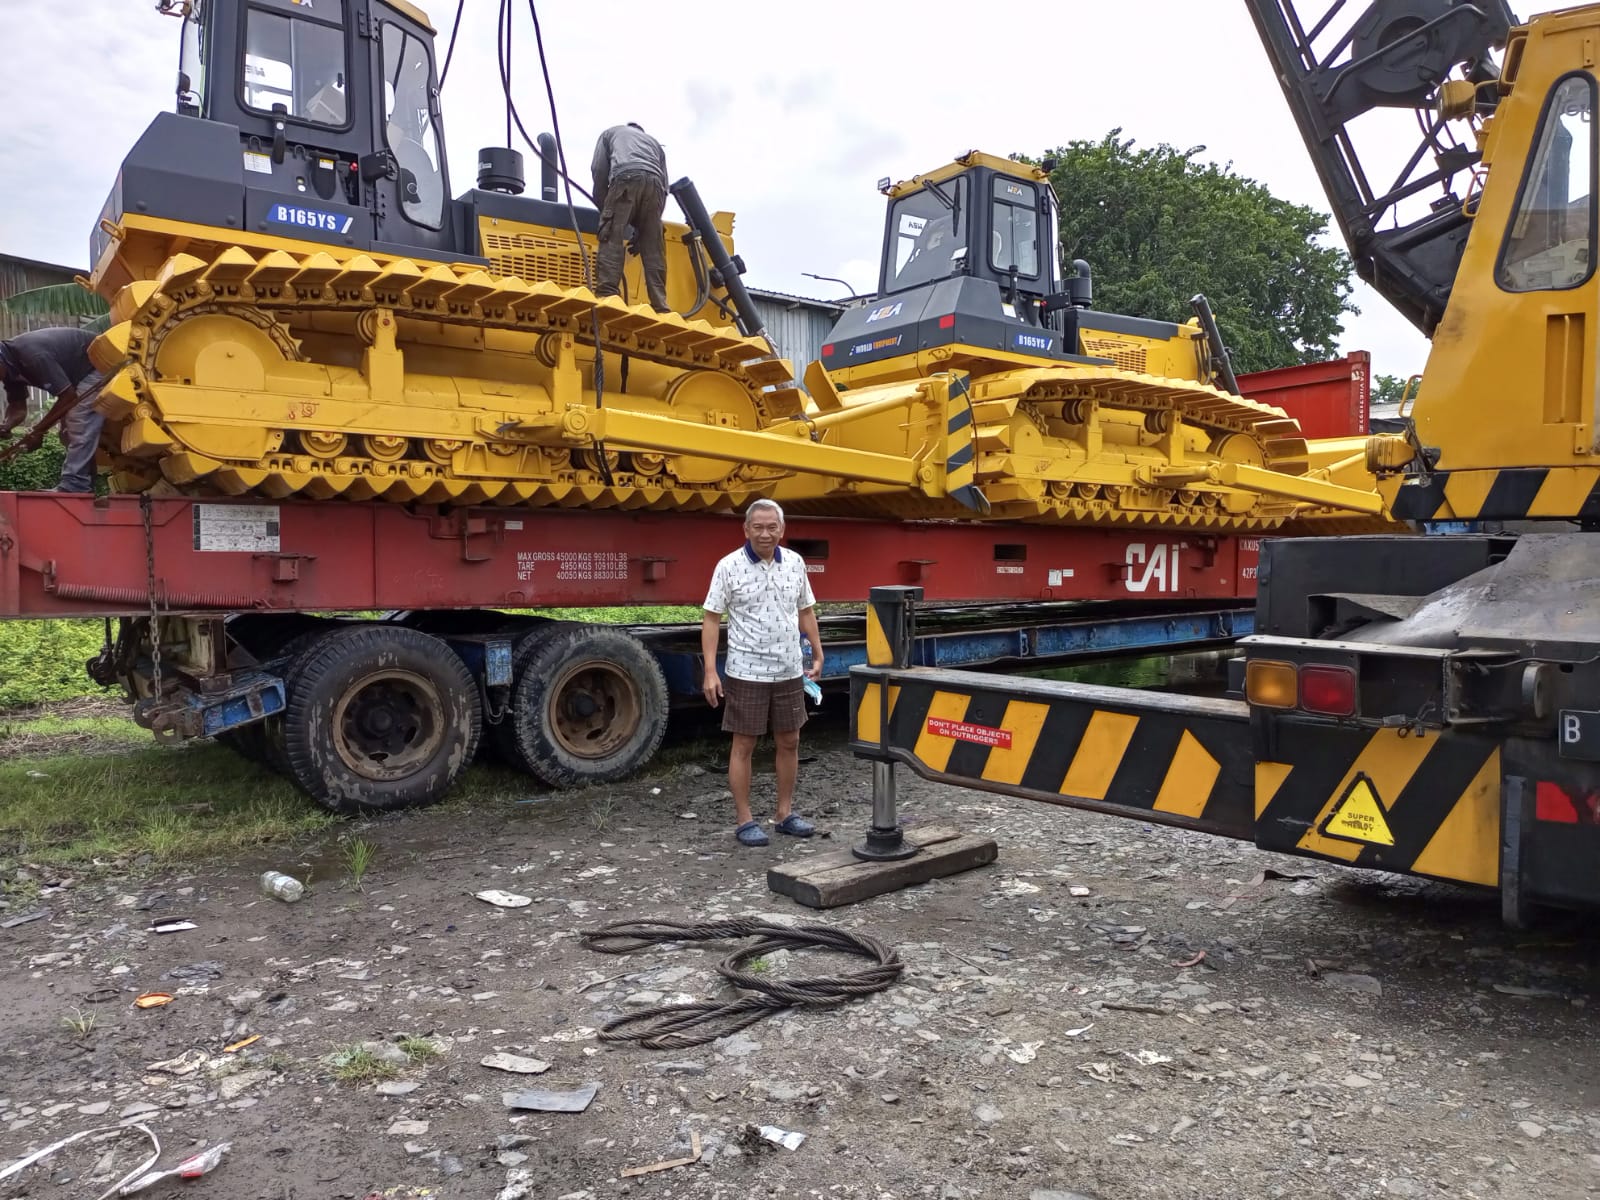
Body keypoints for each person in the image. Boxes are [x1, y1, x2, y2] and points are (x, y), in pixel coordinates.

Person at [701, 499, 824, 847]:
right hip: (746, 671)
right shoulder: (728, 566)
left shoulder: (795, 564)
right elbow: (711, 619)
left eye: (772, 527)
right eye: (758, 527)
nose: (765, 533)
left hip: (788, 669)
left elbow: (806, 610)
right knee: (744, 744)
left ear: (782, 530)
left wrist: (817, 649)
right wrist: (710, 671)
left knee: (790, 740)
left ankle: (784, 814)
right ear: (746, 529)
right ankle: (745, 820)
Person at [0, 326, 105, 493]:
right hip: (77, 375)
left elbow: (68, 397)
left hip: (99, 362)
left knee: (77, 419)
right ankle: (87, 484)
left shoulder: (32, 356)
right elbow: (18, 407)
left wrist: (38, 431)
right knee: (66, 433)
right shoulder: (8, 367)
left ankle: (75, 485)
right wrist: (6, 426)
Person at [590, 122, 671, 312]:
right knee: (653, 247)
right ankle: (660, 304)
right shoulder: (655, 144)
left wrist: (607, 213)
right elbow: (664, 189)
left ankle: (608, 292)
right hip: (655, 185)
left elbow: (598, 171)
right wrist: (644, 230)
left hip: (626, 177)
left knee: (612, 236)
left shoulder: (610, 133)